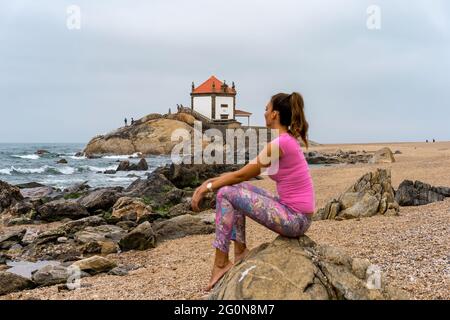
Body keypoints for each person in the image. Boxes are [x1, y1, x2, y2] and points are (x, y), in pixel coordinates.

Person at [191, 92, 315, 291]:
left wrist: (207, 189)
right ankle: (240, 252)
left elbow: (242, 174)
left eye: (267, 109)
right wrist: (211, 181)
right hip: (294, 213)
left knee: (224, 193)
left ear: (275, 114)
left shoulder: (280, 144)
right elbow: (242, 174)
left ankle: (221, 264)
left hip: (295, 219)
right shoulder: (285, 141)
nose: (264, 113)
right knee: (233, 189)